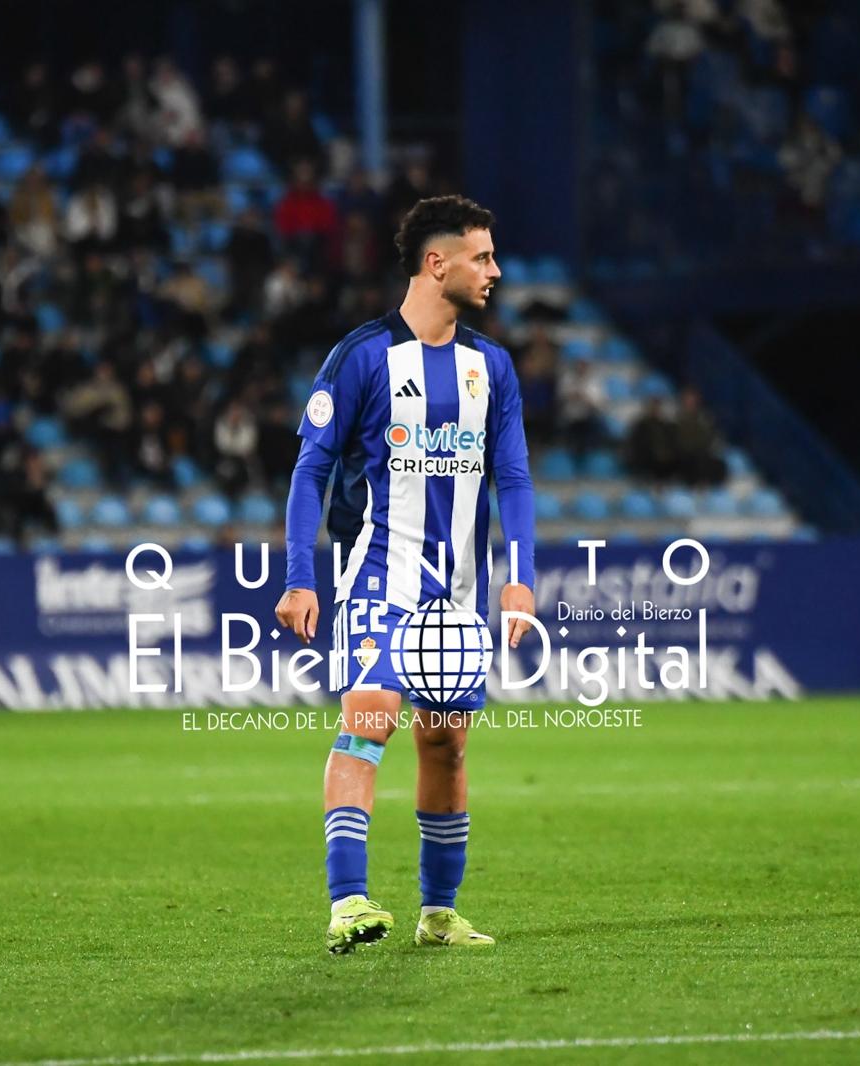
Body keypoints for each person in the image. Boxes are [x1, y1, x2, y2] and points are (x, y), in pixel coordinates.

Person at [276, 195, 535, 953]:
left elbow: (511, 479)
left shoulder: (492, 366)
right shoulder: (361, 357)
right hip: (379, 582)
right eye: (481, 257)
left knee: (446, 746)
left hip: (459, 598)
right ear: (437, 262)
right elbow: (310, 470)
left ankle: (438, 913)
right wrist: (300, 576)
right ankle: (349, 900)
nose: (494, 271)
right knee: (369, 721)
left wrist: (518, 577)